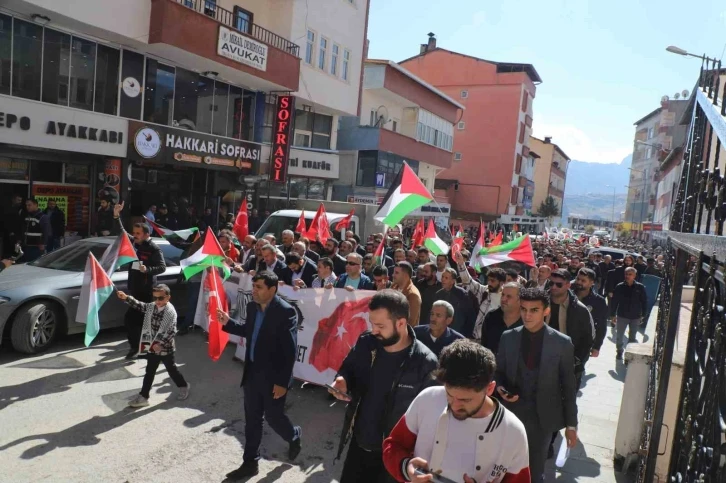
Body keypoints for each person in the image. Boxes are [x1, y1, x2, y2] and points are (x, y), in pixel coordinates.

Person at [329, 289, 438, 482]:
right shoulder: (366, 342)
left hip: (393, 457)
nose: (374, 330)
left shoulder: (425, 363)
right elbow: (348, 369)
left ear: (401, 323)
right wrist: (342, 380)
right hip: (358, 444)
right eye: (372, 323)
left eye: (380, 325)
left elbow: (430, 420)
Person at [383, 340, 530, 483]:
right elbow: (393, 445)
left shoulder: (513, 431)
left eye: (465, 400)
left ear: (489, 389)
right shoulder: (428, 398)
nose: (454, 405)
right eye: (449, 395)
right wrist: (407, 467)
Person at [218, 271, 302, 479]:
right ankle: (250, 462)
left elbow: (289, 351)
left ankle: (293, 435)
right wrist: (227, 322)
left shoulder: (286, 312)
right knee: (252, 420)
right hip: (252, 374)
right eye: (253, 286)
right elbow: (248, 331)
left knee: (274, 417)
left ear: (272, 289)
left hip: (274, 378)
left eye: (259, 287)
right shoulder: (252, 307)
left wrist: (282, 382)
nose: (254, 291)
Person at [496, 288, 578, 482]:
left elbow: (568, 386)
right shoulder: (508, 337)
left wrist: (571, 425)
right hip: (510, 414)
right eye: (524, 309)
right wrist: (501, 388)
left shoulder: (562, 343)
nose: (527, 315)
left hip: (542, 420)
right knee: (502, 467)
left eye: (534, 310)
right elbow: (497, 372)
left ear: (546, 311)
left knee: (533, 471)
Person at [118, 284, 190, 407]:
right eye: (155, 298)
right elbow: (141, 306)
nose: (157, 301)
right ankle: (144, 396)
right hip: (152, 345)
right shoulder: (152, 306)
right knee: (149, 371)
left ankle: (184, 386)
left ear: (168, 297)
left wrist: (161, 344)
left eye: (160, 298)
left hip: (165, 348)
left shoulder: (170, 312)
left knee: (172, 370)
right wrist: (126, 298)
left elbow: (171, 331)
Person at [113, 202, 167, 359]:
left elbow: (162, 267)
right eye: (134, 233)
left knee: (136, 321)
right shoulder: (133, 243)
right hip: (135, 288)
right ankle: (138, 347)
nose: (134, 235)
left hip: (147, 291)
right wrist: (116, 215)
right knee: (134, 321)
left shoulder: (153, 248)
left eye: (138, 233)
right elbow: (121, 233)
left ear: (146, 235)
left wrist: (147, 270)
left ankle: (140, 348)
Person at [546, 269, 594, 389]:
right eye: (551, 283)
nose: (554, 287)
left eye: (559, 284)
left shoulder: (580, 309)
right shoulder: (540, 302)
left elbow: (588, 338)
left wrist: (577, 361)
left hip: (567, 362)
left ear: (568, 285)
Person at [454, 250, 505, 341]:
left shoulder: (505, 298)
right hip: (477, 338)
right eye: (488, 280)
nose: (489, 283)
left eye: (492, 281)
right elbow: (468, 281)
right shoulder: (484, 291)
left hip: (494, 340)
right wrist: (461, 264)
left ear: (501, 283)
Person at [610, 266, 648, 360]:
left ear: (634, 275)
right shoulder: (620, 286)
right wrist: (612, 314)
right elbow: (614, 301)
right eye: (626, 274)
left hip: (635, 316)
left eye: (630, 274)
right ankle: (619, 351)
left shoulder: (640, 287)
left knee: (632, 337)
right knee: (619, 336)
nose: (627, 276)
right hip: (622, 315)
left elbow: (644, 301)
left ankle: (629, 355)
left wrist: (643, 315)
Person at [572, 268, 608, 358]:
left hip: (584, 344)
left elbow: (601, 325)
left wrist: (597, 347)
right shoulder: (568, 295)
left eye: (583, 280)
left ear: (592, 283)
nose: (579, 282)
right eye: (578, 279)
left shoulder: (599, 301)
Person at [481, 282, 523, 355]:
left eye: (508, 296)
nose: (503, 299)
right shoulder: (491, 317)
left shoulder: (527, 321)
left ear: (520, 300)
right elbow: (484, 347)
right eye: (503, 295)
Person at [434, 267, 473, 336]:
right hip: (441, 332)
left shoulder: (462, 294)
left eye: (446, 278)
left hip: (458, 332)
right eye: (442, 277)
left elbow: (469, 316)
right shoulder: (438, 294)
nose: (443, 279)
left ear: (453, 281)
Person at [391, 262, 422, 326]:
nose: (393, 275)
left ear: (405, 275)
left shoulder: (413, 294)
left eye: (396, 273)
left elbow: (411, 322)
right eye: (394, 272)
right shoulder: (393, 286)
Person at [20, 198, 51, 262]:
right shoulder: (27, 216)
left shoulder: (43, 217)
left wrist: (43, 244)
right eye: (26, 205)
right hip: (26, 246)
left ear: (35, 205)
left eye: (29, 205)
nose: (27, 207)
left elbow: (46, 232)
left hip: (36, 247)